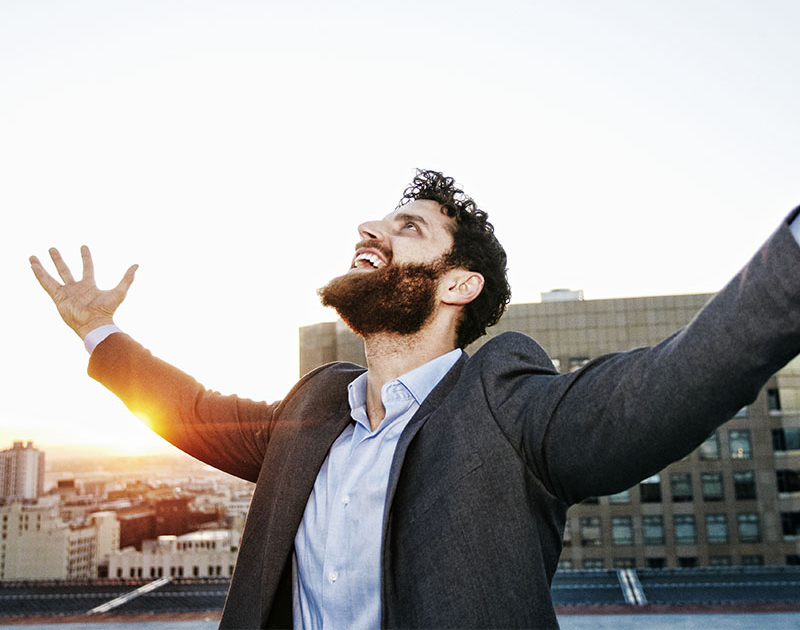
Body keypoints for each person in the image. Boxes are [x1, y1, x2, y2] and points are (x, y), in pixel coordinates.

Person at [30, 170, 800, 629]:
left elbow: (668, 385)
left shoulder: (505, 406)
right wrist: (101, 334)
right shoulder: (313, 410)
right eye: (380, 218)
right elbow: (193, 410)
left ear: (457, 284)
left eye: (408, 225)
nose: (368, 227)